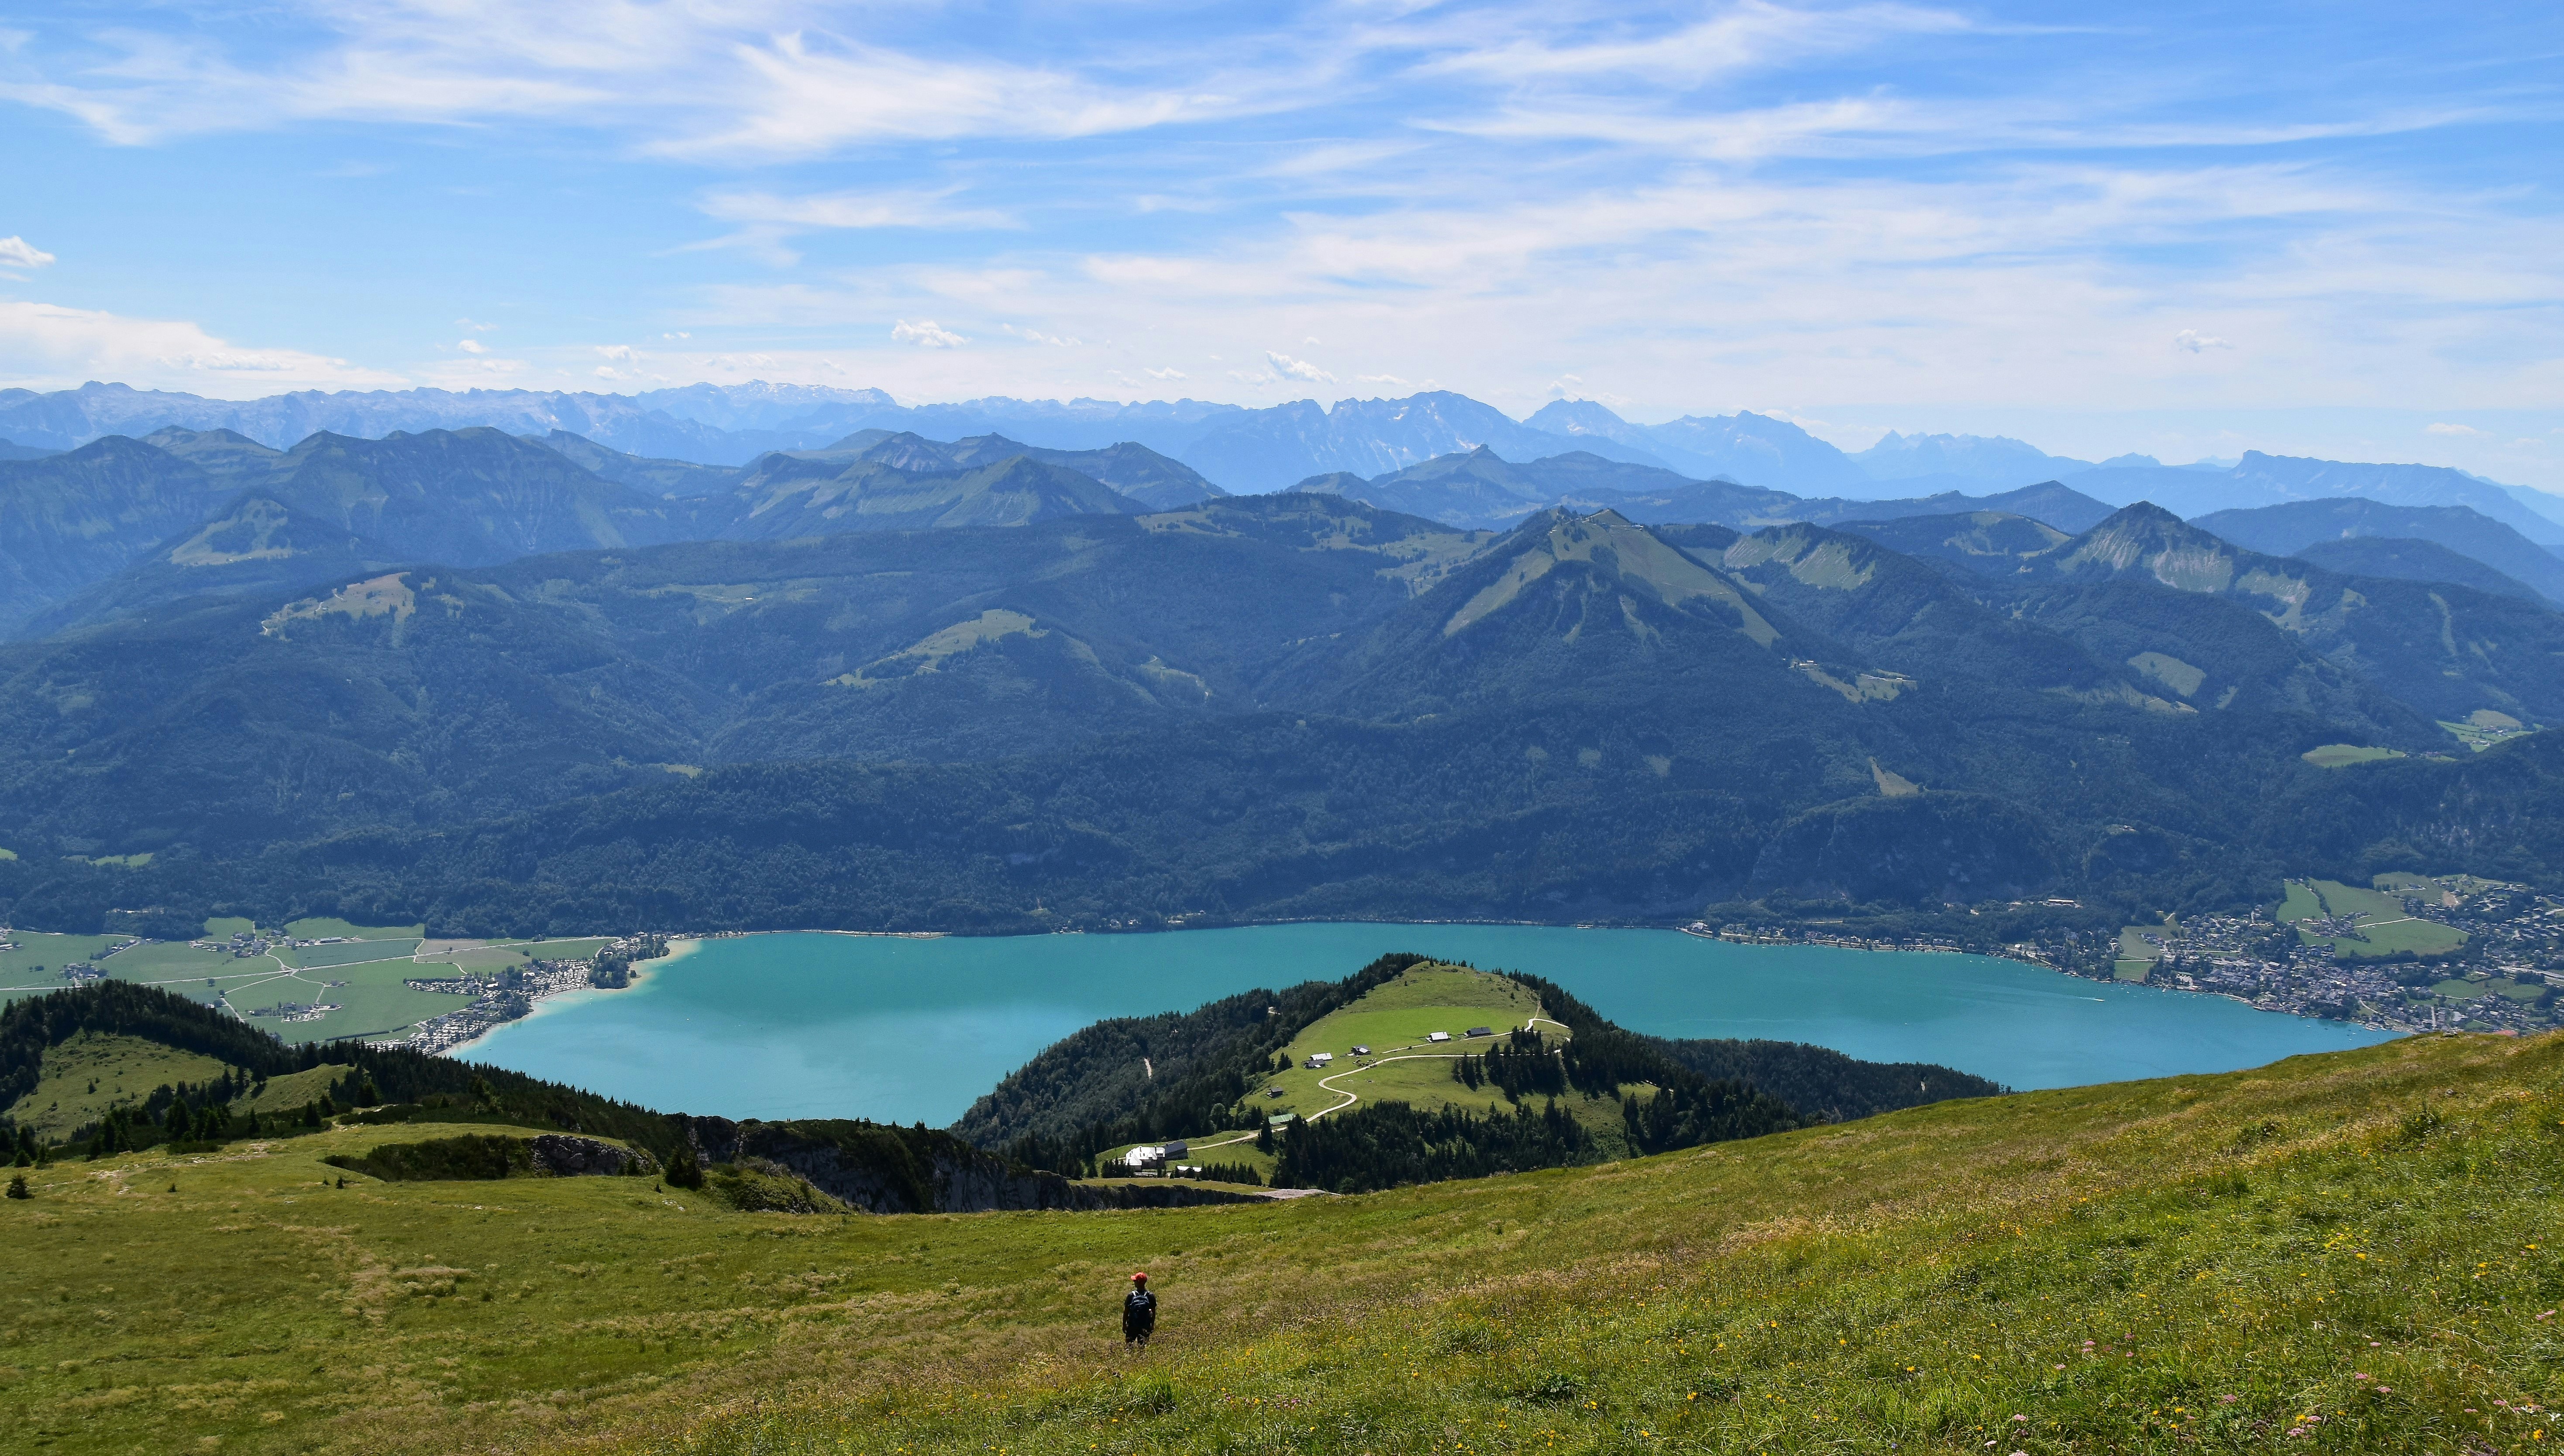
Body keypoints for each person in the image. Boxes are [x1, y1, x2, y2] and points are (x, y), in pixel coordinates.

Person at [1122, 1271, 1157, 1348]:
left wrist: (1124, 1325)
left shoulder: (1131, 1295)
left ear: (1138, 1283)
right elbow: (1154, 1313)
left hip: (1132, 1325)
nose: (1134, 1282)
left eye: (1135, 1281)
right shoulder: (1150, 1296)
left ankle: (1130, 1359)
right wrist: (1152, 1325)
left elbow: (1126, 1312)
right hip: (1145, 1325)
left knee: (1129, 1347)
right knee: (1143, 1347)